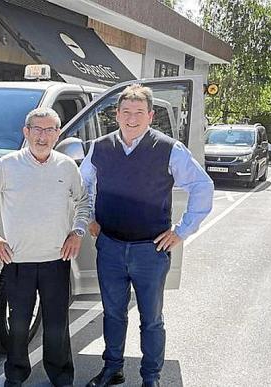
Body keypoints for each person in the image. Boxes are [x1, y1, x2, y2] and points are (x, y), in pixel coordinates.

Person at [81, 84, 214, 387]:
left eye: (139, 112)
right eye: (126, 111)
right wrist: (89, 217)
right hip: (111, 247)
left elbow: (202, 187)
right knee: (113, 314)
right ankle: (112, 368)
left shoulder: (170, 149)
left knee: (151, 319)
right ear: (116, 114)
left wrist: (181, 231)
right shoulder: (99, 147)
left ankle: (150, 377)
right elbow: (82, 185)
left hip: (149, 251)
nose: (132, 118)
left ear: (151, 116)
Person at [0, 107, 90, 387]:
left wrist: (78, 231)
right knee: (19, 325)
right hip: (18, 261)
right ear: (26, 132)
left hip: (55, 260)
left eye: (50, 130)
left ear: (58, 134)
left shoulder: (66, 166)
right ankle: (16, 374)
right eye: (37, 129)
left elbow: (83, 202)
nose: (42, 136)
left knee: (56, 325)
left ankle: (61, 375)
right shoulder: (7, 165)